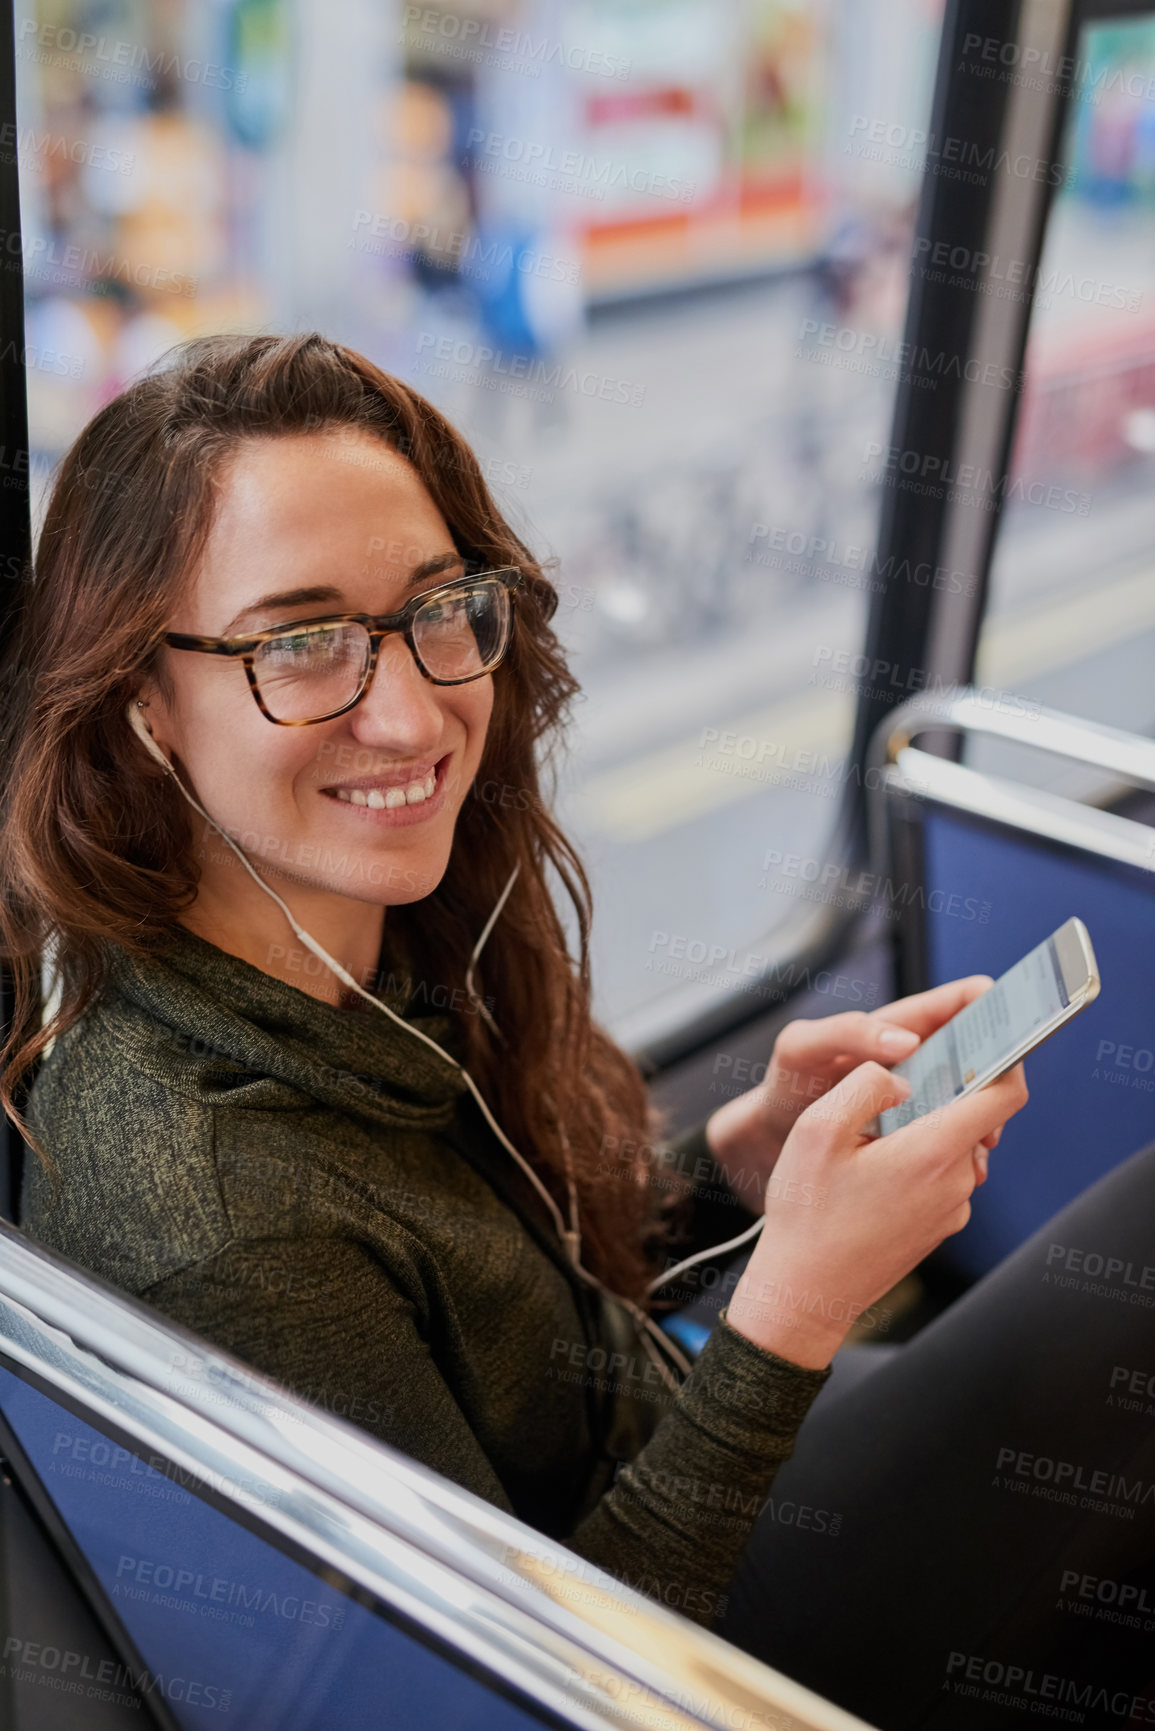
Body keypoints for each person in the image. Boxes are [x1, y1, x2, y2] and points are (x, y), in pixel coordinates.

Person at [0, 332, 1026, 1643]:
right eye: (304, 642)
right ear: (144, 703)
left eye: (436, 610)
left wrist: (732, 1175)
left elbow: (525, 1347)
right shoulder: (229, 1226)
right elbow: (532, 1678)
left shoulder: (371, 961)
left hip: (692, 1465)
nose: (419, 717)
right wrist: (794, 1310)